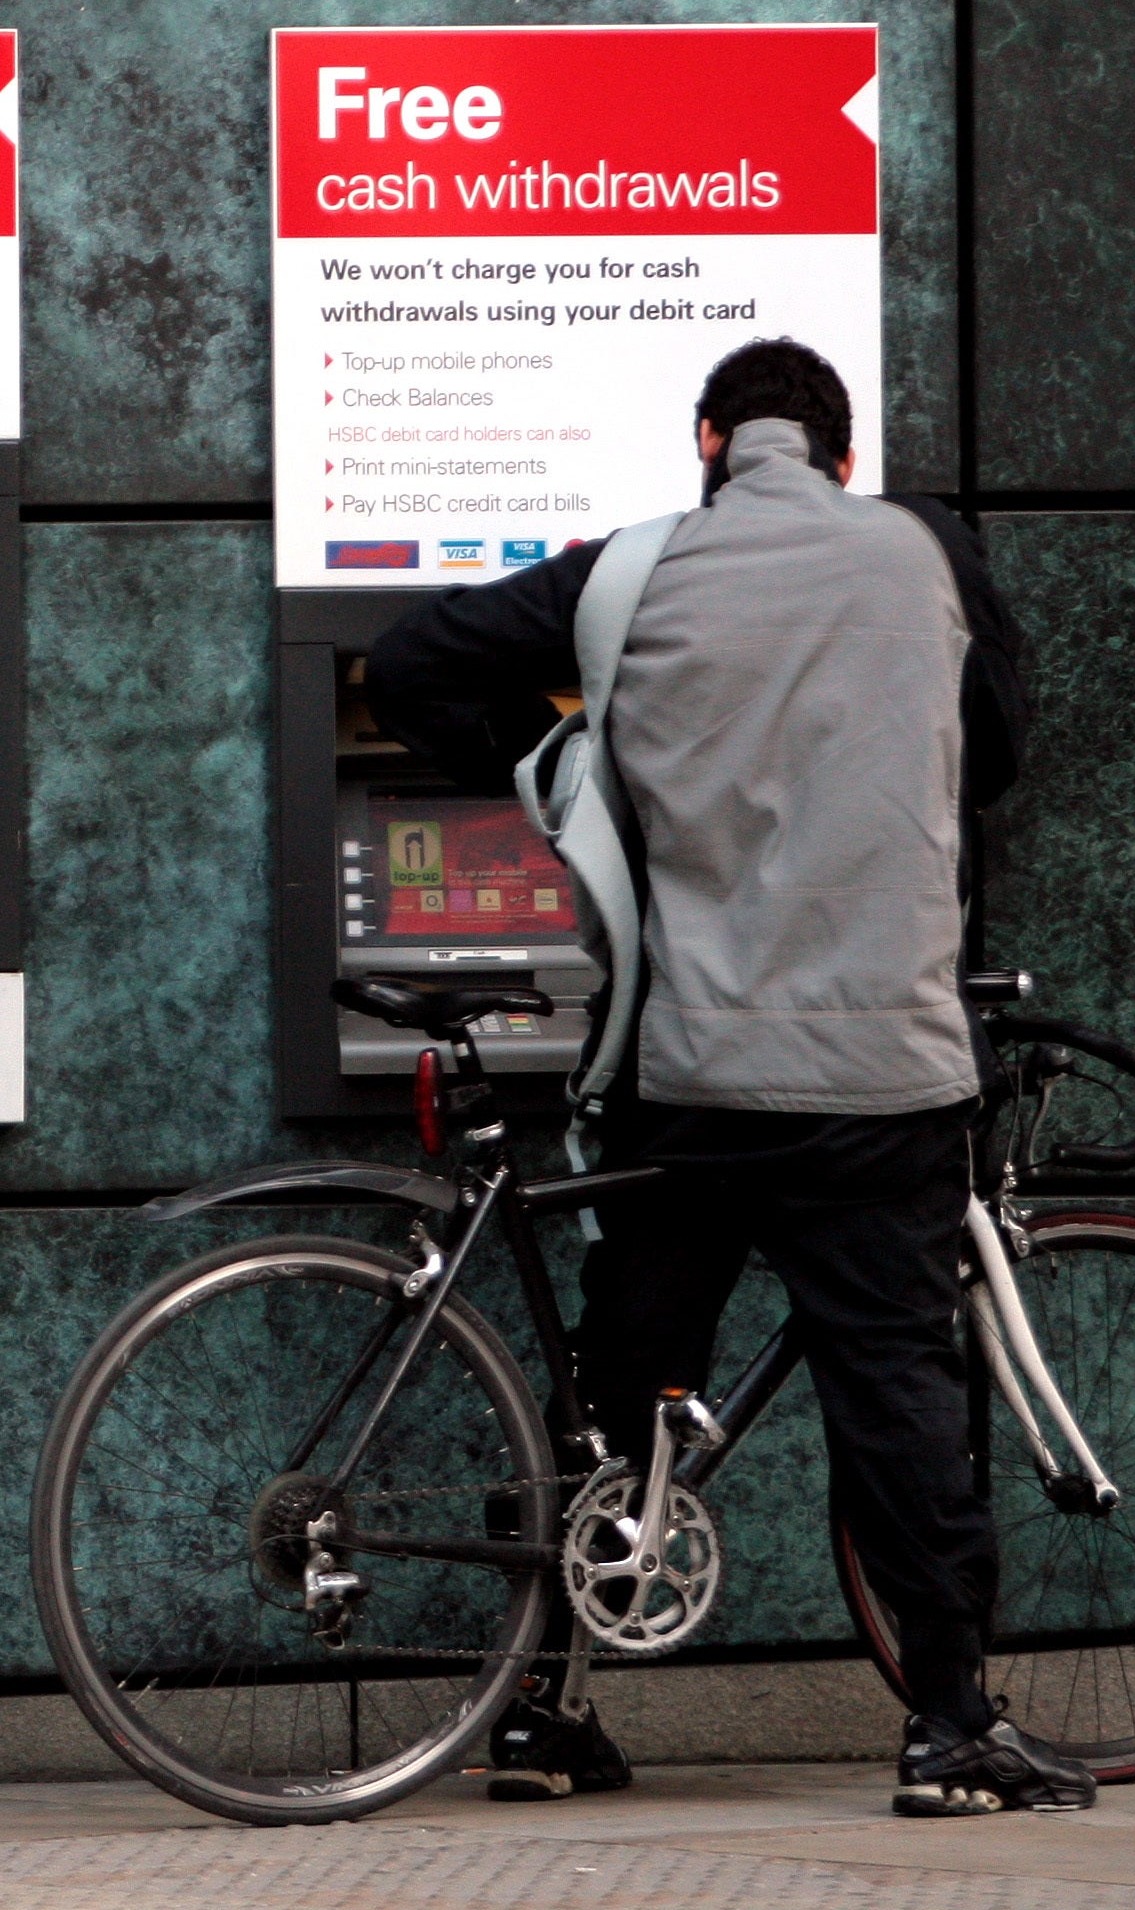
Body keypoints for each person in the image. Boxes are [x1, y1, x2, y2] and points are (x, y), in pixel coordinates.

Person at [364, 337, 1081, 1819]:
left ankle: (542, 1716)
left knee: (623, 1385)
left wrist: (566, 777)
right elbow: (999, 754)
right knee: (896, 1395)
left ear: (707, 439)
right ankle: (949, 1730)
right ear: (842, 450)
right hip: (881, 1074)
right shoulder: (927, 553)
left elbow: (417, 663)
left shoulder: (629, 575)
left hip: (683, 1072)